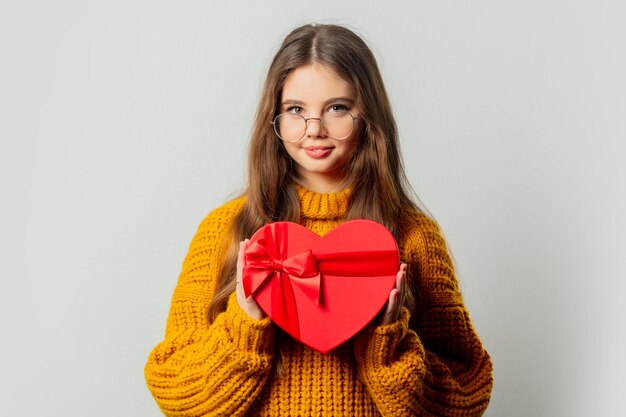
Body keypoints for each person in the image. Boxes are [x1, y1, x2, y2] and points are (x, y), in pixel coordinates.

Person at [145, 23, 493, 416]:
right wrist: (245, 325)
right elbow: (175, 393)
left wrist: (387, 343)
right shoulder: (224, 230)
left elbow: (467, 393)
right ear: (274, 119)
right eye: (296, 110)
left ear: (367, 116)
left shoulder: (415, 236)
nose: (314, 129)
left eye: (337, 108)